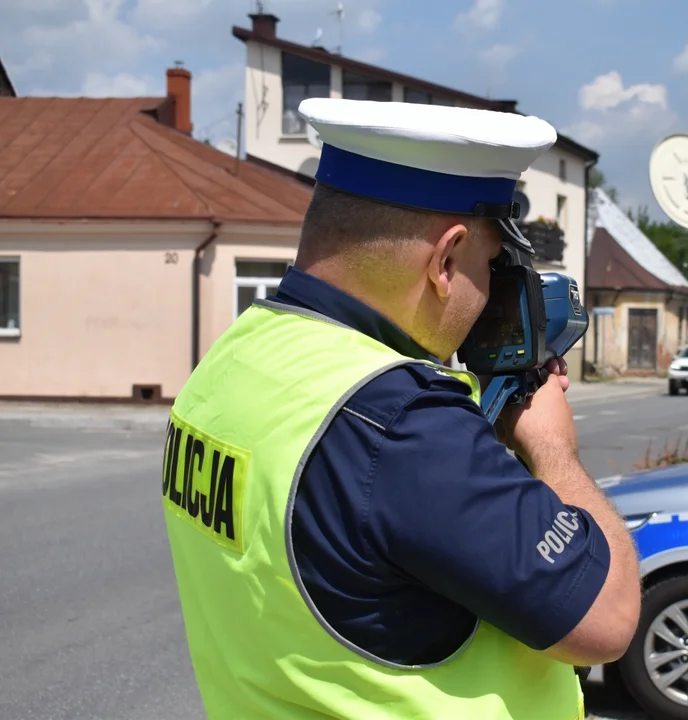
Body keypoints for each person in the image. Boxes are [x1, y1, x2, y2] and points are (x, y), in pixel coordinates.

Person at [160, 98, 641, 720]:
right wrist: (552, 448)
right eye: (492, 265)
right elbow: (607, 619)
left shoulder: (232, 360)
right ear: (446, 260)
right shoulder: (406, 424)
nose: (494, 289)